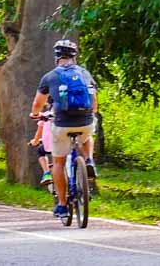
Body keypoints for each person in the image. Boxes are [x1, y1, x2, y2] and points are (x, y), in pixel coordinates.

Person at [29, 38, 98, 218]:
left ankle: (61, 204)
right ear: (74, 57)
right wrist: (91, 113)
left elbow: (38, 103)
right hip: (85, 121)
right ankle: (89, 160)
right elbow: (94, 102)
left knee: (58, 162)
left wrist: (35, 114)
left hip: (62, 124)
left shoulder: (50, 76)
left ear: (57, 57)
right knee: (88, 133)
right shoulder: (85, 73)